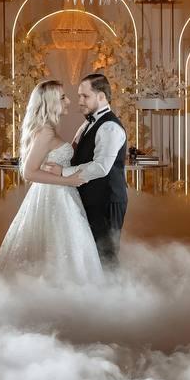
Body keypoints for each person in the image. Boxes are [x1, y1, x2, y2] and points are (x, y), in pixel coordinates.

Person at [0, 79, 97, 278]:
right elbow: (29, 172)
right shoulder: (45, 132)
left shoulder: (48, 129)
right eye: (63, 98)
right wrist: (68, 181)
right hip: (55, 196)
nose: (68, 101)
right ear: (51, 103)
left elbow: (54, 158)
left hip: (59, 194)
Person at [62, 73, 129, 266]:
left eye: (85, 96)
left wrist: (63, 173)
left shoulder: (109, 127)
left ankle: (114, 286)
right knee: (92, 255)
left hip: (106, 199)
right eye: (79, 96)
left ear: (101, 96)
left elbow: (101, 167)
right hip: (93, 198)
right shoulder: (88, 123)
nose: (80, 101)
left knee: (106, 256)